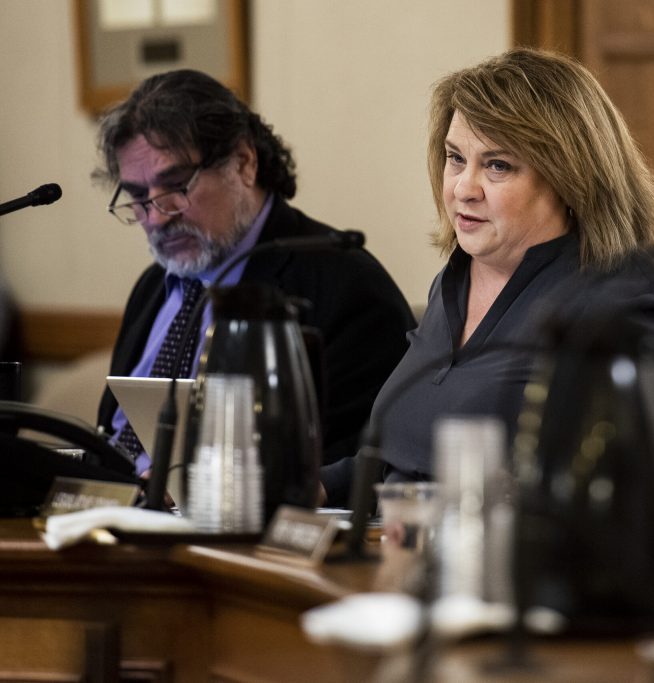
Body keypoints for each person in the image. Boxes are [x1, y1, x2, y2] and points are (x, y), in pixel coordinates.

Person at [321, 48, 654, 505]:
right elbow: (406, 463)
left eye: (497, 165)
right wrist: (313, 486)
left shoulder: (634, 305)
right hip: (402, 563)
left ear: (571, 179)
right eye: (456, 158)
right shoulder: (452, 283)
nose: (463, 189)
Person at [94, 70, 415, 483]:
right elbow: (113, 434)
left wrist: (210, 484)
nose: (156, 216)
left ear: (244, 162)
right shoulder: (153, 286)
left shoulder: (346, 284)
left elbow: (356, 462)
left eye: (175, 185)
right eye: (138, 196)